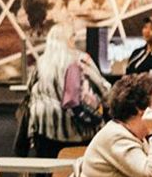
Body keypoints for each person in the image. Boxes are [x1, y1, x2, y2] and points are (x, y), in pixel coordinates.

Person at [27, 23, 112, 158]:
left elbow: (30, 90)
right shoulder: (81, 59)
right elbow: (103, 88)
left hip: (44, 129)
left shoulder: (41, 62)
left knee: (46, 171)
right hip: (77, 128)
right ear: (68, 39)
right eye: (73, 36)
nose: (75, 39)